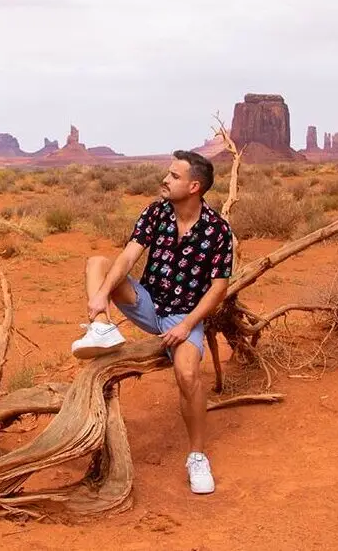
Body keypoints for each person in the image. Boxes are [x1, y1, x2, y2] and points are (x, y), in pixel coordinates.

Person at [69, 149, 233, 495]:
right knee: (97, 262)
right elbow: (129, 255)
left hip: (182, 315)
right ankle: (102, 328)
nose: (165, 179)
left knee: (188, 375)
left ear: (194, 186)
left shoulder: (217, 229)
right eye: (168, 173)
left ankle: (197, 456)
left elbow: (219, 288)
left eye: (174, 176)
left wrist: (187, 325)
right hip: (146, 302)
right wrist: (101, 296)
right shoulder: (156, 212)